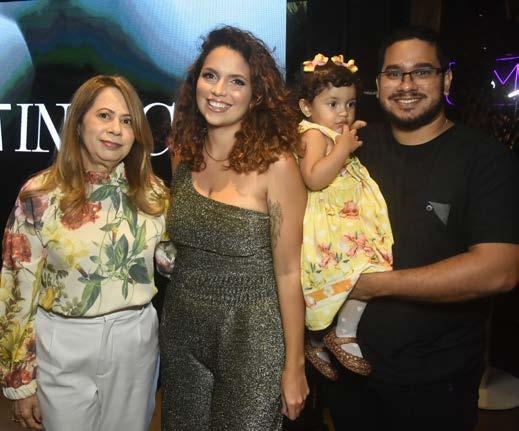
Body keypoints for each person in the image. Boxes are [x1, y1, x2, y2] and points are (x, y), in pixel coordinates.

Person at [326, 26, 519, 431]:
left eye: (422, 72)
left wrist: (373, 285)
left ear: (446, 80)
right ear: (378, 83)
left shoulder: (483, 159)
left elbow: (499, 269)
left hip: (436, 382)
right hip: (349, 372)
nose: (406, 85)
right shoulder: (354, 147)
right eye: (394, 73)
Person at [0, 75, 174, 431]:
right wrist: (19, 379)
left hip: (135, 343)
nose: (116, 130)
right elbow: (16, 289)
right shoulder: (39, 195)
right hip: (61, 345)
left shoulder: (154, 195)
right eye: (104, 116)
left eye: (127, 121)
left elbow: (173, 264)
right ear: (78, 123)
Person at [160, 26, 309, 430]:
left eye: (236, 81)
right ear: (196, 82)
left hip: (251, 335)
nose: (219, 90)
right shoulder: (183, 152)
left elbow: (289, 272)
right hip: (181, 328)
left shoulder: (277, 166)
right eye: (210, 76)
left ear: (256, 94)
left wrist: (294, 365)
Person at [296, 54, 393, 380]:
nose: (343, 113)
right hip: (327, 222)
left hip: (345, 218)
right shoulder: (313, 134)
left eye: (350, 104)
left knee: (371, 265)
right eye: (333, 104)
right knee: (348, 270)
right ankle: (331, 336)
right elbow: (313, 177)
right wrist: (342, 148)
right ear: (306, 108)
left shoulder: (334, 134)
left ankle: (334, 335)